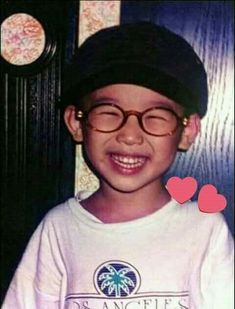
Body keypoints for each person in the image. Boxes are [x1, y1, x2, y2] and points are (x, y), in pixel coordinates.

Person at [2, 22, 233, 309]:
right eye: (109, 113)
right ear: (76, 122)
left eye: (156, 116)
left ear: (186, 131)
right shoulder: (58, 229)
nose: (129, 134)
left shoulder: (205, 230)